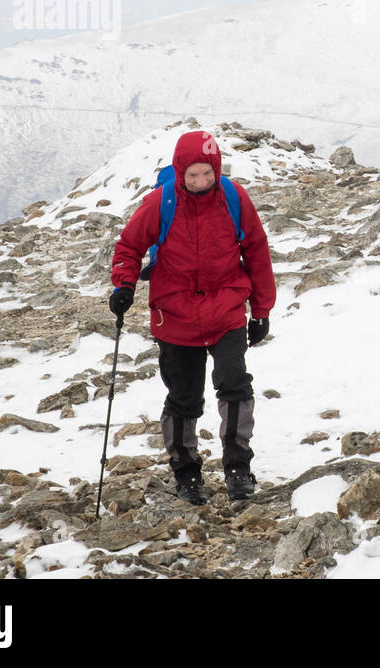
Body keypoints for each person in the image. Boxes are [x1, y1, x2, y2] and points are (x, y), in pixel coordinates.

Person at [108, 130, 276, 505]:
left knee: (234, 386)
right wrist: (123, 285)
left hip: (227, 311)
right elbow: (129, 246)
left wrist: (261, 310)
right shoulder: (160, 203)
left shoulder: (233, 198)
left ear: (216, 169)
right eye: (192, 175)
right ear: (180, 172)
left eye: (207, 174)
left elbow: (256, 250)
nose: (200, 182)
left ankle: (238, 469)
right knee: (184, 399)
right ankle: (187, 475)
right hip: (176, 316)